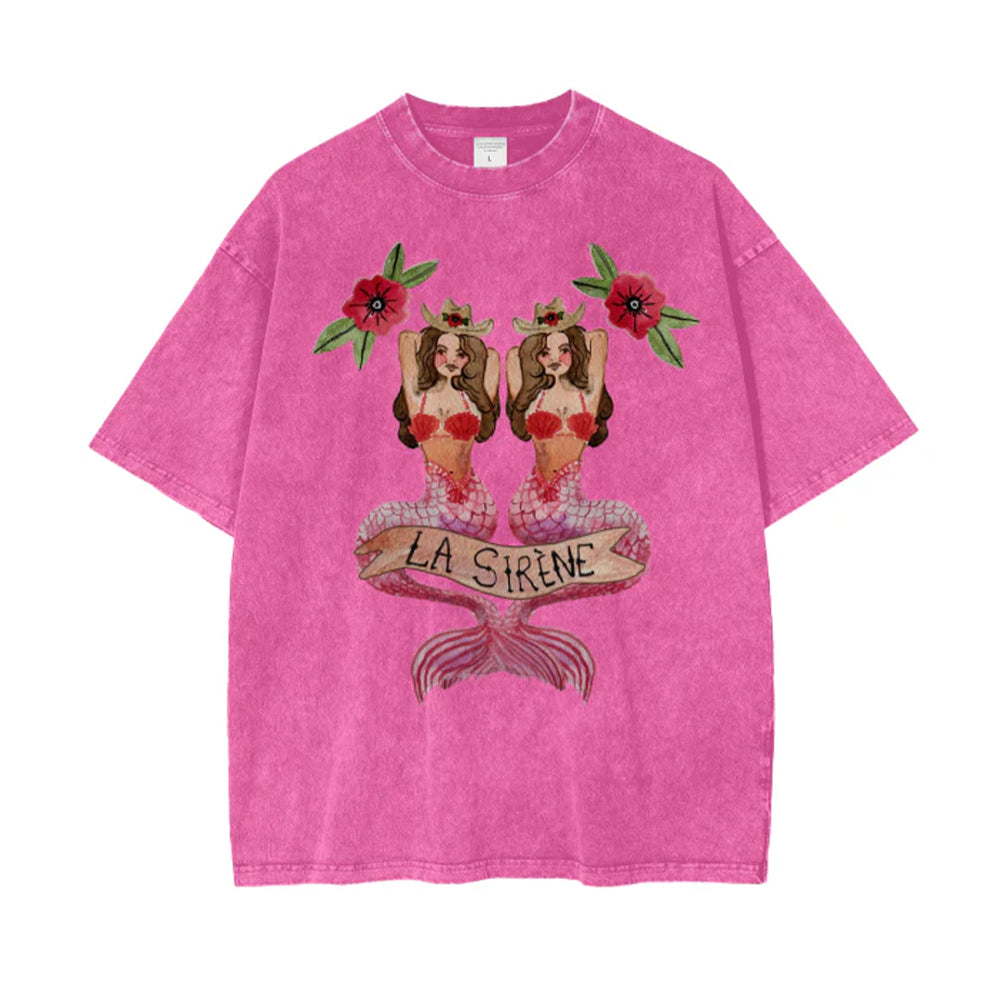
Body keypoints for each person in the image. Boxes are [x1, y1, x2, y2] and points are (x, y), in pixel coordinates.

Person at [503, 297, 651, 699]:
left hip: (571, 505)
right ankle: (530, 603)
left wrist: (565, 329)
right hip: (535, 506)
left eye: (563, 349)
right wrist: (542, 335)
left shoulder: (589, 395)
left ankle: (529, 606)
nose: (554, 358)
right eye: (544, 353)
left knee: (632, 531)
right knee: (622, 538)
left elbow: (599, 338)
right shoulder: (531, 397)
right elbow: (513, 356)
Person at [354, 299, 502, 700]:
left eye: (461, 354)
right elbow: (406, 340)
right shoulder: (417, 397)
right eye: (442, 351)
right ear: (429, 353)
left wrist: (467, 338)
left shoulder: (474, 400)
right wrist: (442, 331)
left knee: (386, 537)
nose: (452, 360)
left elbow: (491, 358)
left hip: (472, 508)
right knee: (374, 529)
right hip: (433, 507)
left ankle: (471, 610)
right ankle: (471, 612)